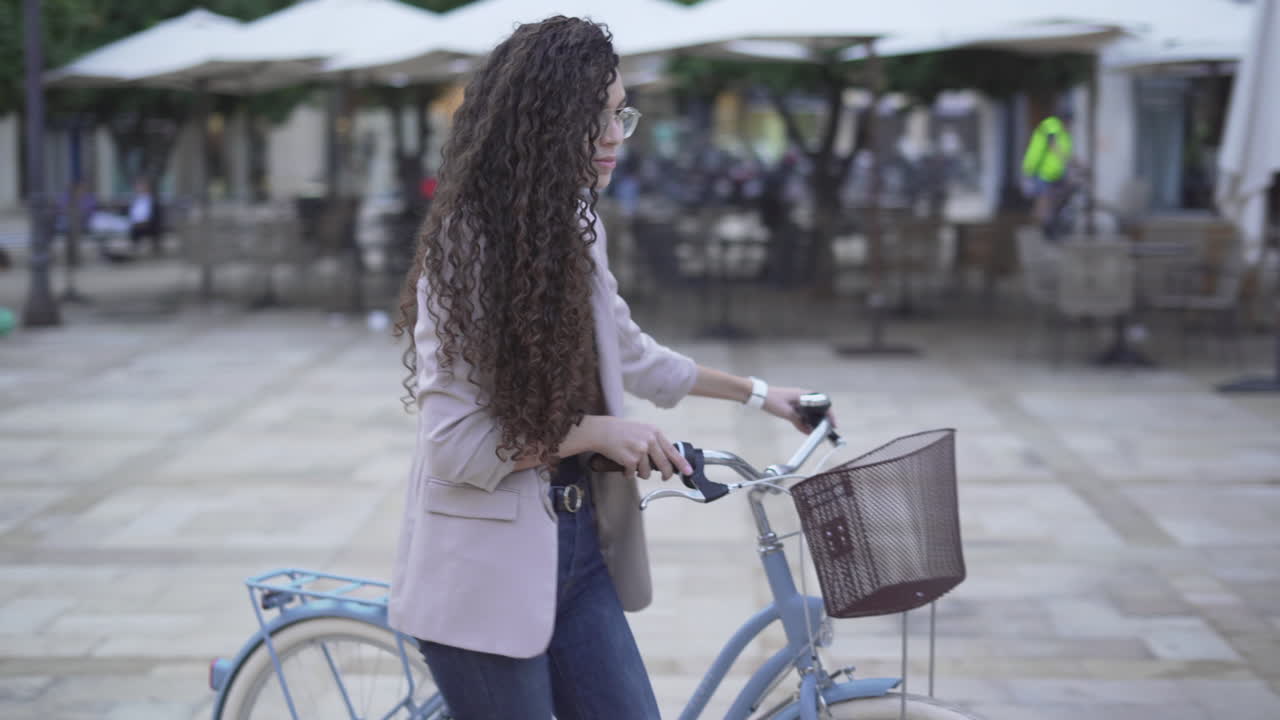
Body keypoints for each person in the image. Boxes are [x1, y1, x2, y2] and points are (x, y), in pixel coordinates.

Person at [388, 17, 827, 720]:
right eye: (592, 117)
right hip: (481, 579)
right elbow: (453, 444)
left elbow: (631, 352)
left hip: (577, 549)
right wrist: (592, 433)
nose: (614, 133)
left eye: (620, 112)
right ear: (540, 124)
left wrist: (761, 394)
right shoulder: (466, 248)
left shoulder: (568, 227)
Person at [1021, 105, 1075, 237]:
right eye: (1069, 122)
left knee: (1058, 197)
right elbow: (1054, 146)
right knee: (1043, 200)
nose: (1070, 125)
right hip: (1039, 170)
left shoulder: (1065, 134)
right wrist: (1070, 161)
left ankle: (1049, 225)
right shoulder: (1051, 125)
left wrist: (1075, 164)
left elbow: (1066, 154)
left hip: (1054, 173)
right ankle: (1039, 230)